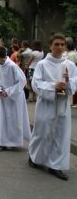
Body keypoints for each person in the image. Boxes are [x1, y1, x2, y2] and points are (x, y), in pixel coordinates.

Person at [28, 33, 77, 181]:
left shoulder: (70, 65)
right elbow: (35, 84)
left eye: (62, 44)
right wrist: (52, 86)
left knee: (61, 135)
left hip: (62, 104)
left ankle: (56, 165)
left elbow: (74, 83)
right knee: (42, 132)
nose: (59, 47)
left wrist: (68, 85)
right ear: (50, 46)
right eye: (56, 44)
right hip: (46, 104)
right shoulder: (43, 64)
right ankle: (35, 157)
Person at [0, 46, 31, 152]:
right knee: (4, 119)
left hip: (15, 97)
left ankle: (15, 142)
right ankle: (4, 142)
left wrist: (9, 91)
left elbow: (22, 81)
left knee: (14, 119)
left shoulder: (12, 66)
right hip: (4, 96)